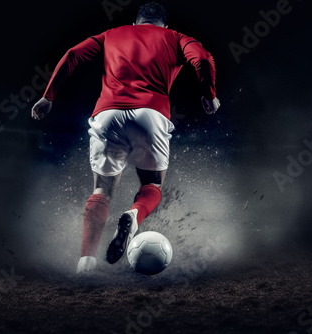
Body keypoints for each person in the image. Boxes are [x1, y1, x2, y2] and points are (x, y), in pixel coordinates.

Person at [31, 2, 220, 273]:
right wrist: (209, 95)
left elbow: (73, 54)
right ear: (163, 25)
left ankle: (85, 263)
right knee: (152, 185)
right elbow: (203, 59)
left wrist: (48, 96)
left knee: (102, 190)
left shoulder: (112, 33)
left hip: (108, 114)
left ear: (136, 23)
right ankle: (133, 215)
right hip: (151, 115)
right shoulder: (176, 37)